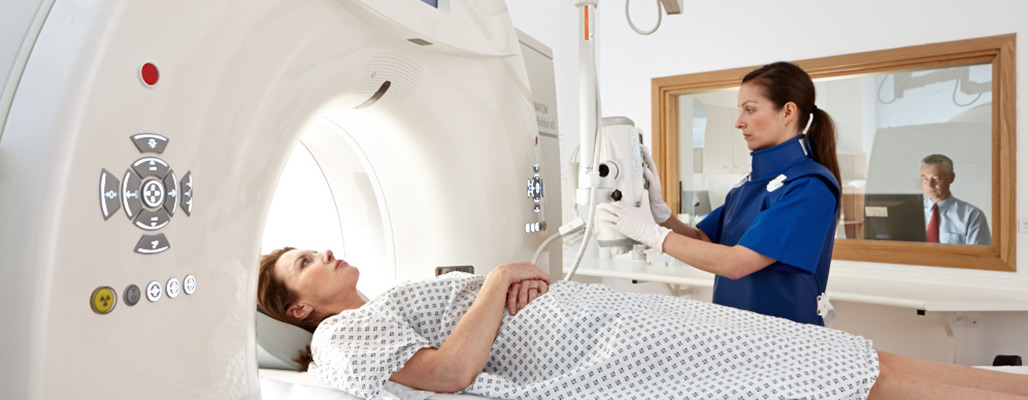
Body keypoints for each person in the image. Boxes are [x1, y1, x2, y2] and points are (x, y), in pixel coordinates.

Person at [257, 247, 1028, 400]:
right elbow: (452, 375)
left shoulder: (385, 302)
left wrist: (505, 288)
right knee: (823, 372)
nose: (321, 252)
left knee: (835, 355)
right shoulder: (336, 339)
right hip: (607, 355)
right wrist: (495, 281)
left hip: (608, 324)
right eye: (302, 262)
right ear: (300, 308)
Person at [598, 61, 840, 326]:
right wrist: (661, 214)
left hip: (782, 340)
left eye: (750, 109)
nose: (738, 122)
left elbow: (737, 263)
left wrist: (653, 235)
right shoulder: (748, 185)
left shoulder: (809, 186)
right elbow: (704, 239)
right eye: (740, 111)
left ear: (787, 112)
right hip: (733, 332)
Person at [920, 154, 991, 245]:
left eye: (936, 178)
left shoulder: (972, 215)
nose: (930, 185)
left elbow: (978, 257)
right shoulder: (909, 213)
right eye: (925, 179)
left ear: (951, 178)